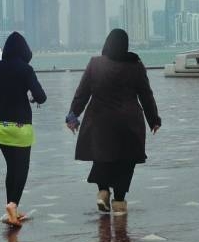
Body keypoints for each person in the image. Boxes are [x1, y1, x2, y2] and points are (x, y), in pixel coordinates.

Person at [66, 29, 161, 215]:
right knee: (126, 161)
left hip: (100, 121)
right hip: (129, 122)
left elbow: (82, 92)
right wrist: (153, 119)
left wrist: (72, 116)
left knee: (102, 157)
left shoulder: (95, 64)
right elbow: (146, 95)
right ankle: (118, 201)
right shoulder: (136, 65)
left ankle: (102, 192)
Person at [0, 32, 48, 227]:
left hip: (0, 127)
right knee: (21, 168)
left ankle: (10, 209)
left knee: (11, 167)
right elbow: (41, 96)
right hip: (21, 127)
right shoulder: (26, 69)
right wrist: (30, 98)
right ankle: (13, 205)